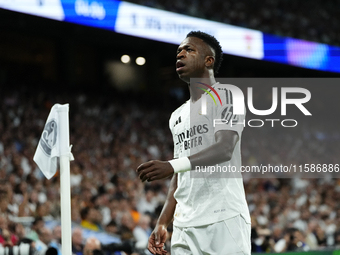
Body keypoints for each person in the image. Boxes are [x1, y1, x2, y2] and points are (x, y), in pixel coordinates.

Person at [137, 31, 251, 255]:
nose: (180, 54)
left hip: (223, 217)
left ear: (209, 60)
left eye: (189, 49)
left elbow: (224, 148)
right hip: (184, 225)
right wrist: (162, 222)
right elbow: (179, 176)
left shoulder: (228, 95)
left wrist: (171, 165)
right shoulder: (177, 115)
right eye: (179, 50)